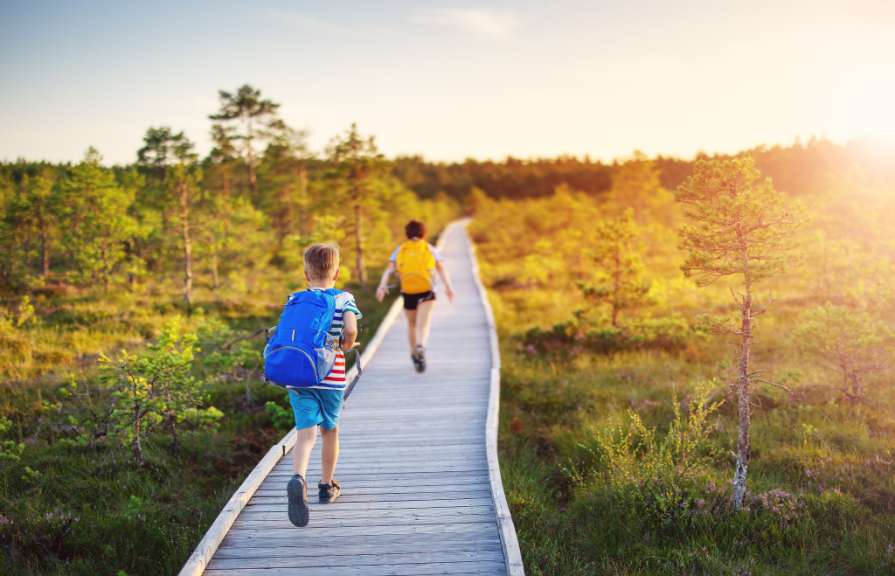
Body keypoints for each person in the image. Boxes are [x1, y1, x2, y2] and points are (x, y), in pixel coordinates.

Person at [287, 243, 362, 527]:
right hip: (330, 378)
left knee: (305, 432)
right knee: (329, 430)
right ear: (337, 273)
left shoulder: (295, 298)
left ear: (306, 274)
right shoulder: (343, 298)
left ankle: (298, 477)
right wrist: (346, 344)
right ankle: (326, 485)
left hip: (299, 375)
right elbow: (351, 328)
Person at [376, 220, 454, 372]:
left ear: (407, 233)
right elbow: (441, 269)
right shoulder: (429, 248)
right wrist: (448, 288)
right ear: (424, 233)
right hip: (427, 291)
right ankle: (420, 346)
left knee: (412, 324)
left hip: (408, 292)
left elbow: (389, 270)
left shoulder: (400, 249)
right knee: (422, 324)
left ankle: (413, 353)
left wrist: (382, 286)